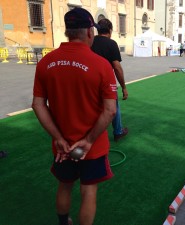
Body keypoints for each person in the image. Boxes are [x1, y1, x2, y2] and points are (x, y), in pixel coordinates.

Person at [32, 7, 117, 225]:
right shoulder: (101, 65)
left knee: (65, 184)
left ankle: (63, 222)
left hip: (63, 146)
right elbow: (110, 110)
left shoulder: (45, 63)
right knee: (88, 191)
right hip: (92, 146)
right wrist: (88, 141)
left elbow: (38, 105)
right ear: (89, 32)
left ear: (68, 32)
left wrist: (59, 138)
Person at [91, 18, 129, 142]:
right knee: (114, 107)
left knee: (92, 107)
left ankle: (91, 132)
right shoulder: (111, 43)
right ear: (110, 30)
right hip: (106, 83)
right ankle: (118, 131)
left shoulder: (90, 42)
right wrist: (123, 87)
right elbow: (117, 68)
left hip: (90, 82)